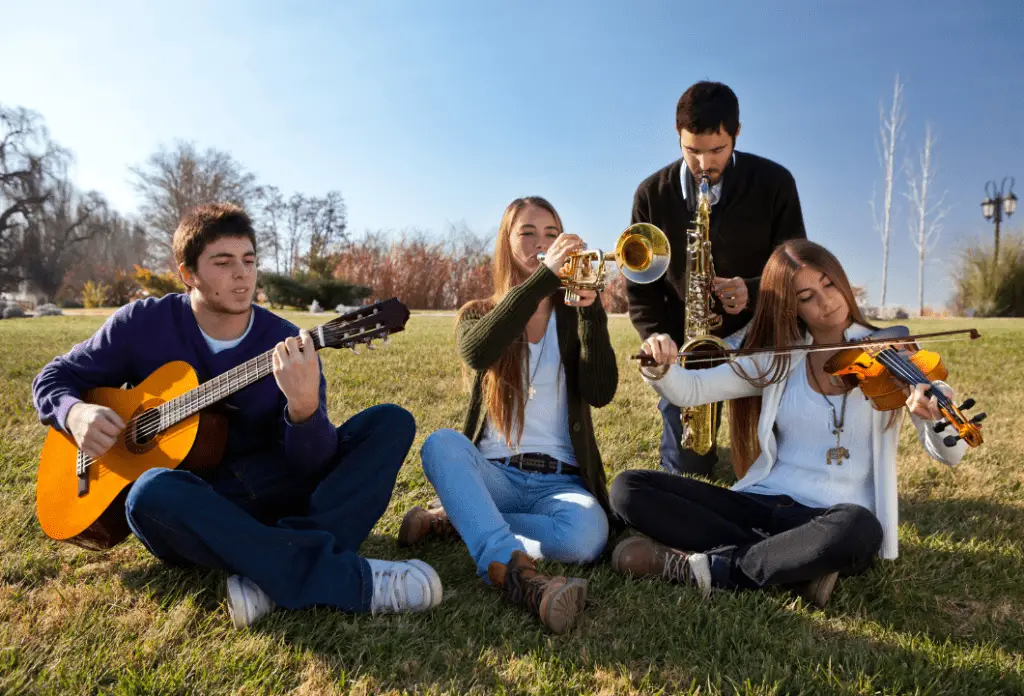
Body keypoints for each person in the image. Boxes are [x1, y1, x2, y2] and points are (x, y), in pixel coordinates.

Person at [32, 203, 442, 628]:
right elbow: (54, 377)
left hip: (279, 490)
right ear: (188, 273)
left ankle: (269, 570)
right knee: (148, 494)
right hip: (200, 506)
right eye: (223, 263)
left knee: (391, 423)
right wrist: (74, 412)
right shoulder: (144, 323)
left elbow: (314, 463)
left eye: (249, 261)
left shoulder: (286, 342)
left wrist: (304, 412)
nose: (242, 274)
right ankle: (345, 579)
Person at [609, 239, 968, 607]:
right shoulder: (782, 358)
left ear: (843, 281)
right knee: (628, 488)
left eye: (829, 285)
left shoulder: (895, 355)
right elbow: (692, 389)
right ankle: (792, 568)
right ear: (790, 307)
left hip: (832, 518)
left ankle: (716, 569)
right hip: (761, 503)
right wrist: (659, 365)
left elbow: (950, 456)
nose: (826, 303)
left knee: (859, 529)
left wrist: (938, 417)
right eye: (807, 296)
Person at [398, 196, 617, 634]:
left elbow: (601, 392)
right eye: (529, 232)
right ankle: (513, 567)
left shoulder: (574, 316)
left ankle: (461, 518)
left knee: (588, 536)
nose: (543, 241)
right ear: (506, 241)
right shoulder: (480, 313)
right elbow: (477, 353)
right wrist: (542, 280)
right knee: (441, 445)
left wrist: (592, 310)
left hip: (559, 481)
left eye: (552, 234)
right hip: (494, 474)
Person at [626, 80, 808, 478]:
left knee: (780, 469)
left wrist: (755, 291)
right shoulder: (650, 195)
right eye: (692, 151)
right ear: (677, 137)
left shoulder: (775, 183)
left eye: (717, 150)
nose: (704, 164)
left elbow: (798, 267)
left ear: (736, 135)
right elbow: (641, 288)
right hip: (688, 347)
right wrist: (659, 338)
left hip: (756, 335)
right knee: (685, 474)